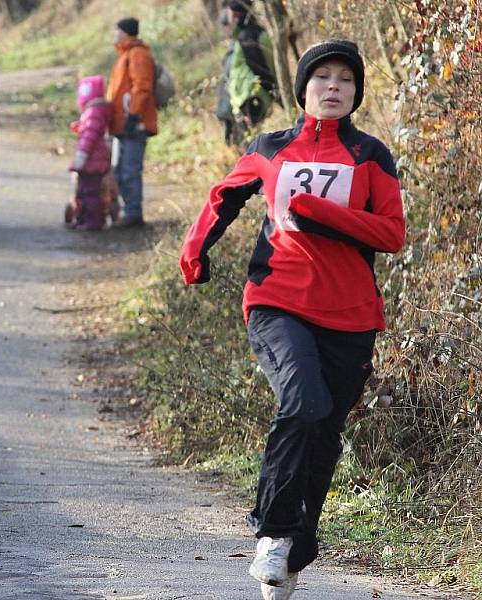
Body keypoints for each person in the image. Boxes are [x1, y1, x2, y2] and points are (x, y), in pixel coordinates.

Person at [179, 40, 405, 599]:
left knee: (325, 430)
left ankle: (296, 550)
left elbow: (392, 234)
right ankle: (273, 532)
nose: (334, 87)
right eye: (322, 77)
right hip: (277, 300)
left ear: (356, 93)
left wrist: (319, 211)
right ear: (302, 88)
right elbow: (223, 197)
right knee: (302, 404)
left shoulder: (370, 156)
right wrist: (196, 251)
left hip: (350, 314)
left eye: (346, 80)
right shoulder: (270, 147)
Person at [106, 16, 157, 228]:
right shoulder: (126, 54)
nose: (114, 34)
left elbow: (142, 87)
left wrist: (133, 115)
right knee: (119, 169)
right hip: (123, 124)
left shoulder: (137, 54)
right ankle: (128, 211)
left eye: (117, 30)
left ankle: (133, 213)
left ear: (125, 32)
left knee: (129, 169)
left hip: (133, 124)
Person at [216, 0, 277, 146]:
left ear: (236, 13)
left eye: (230, 12)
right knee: (239, 146)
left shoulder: (253, 37)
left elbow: (267, 70)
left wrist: (273, 94)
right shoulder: (237, 39)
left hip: (251, 102)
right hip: (238, 105)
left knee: (249, 148)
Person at [66, 74, 114, 231]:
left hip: (92, 163)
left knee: (90, 193)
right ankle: (81, 218)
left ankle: (93, 221)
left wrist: (80, 158)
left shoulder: (94, 113)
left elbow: (89, 137)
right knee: (82, 192)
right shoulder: (94, 113)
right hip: (92, 162)